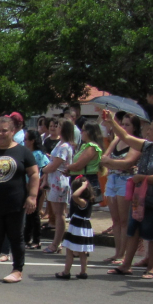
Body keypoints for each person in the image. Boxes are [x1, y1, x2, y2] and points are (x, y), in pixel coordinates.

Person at [101, 110, 153, 279]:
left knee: (151, 233)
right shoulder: (147, 146)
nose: (148, 132)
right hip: (139, 198)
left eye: (151, 129)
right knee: (133, 230)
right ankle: (126, 265)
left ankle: (151, 268)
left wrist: (142, 177)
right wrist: (113, 123)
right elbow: (127, 138)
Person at [0, 117, 39, 283]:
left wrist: (32, 196)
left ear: (12, 132)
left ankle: (17, 270)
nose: (1, 134)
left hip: (16, 203)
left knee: (16, 236)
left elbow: (33, 174)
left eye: (5, 130)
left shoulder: (23, 152)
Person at [100, 112, 140, 263]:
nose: (123, 127)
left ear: (135, 128)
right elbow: (104, 159)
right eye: (122, 124)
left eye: (127, 125)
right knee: (115, 220)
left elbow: (127, 163)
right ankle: (117, 253)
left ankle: (123, 254)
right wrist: (114, 162)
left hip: (126, 180)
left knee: (124, 220)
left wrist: (113, 163)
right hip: (112, 179)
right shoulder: (117, 139)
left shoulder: (136, 143)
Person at [42, 119, 75, 254]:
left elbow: (55, 165)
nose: (56, 127)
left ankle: (56, 243)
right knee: (57, 213)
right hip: (54, 180)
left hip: (59, 181)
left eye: (59, 126)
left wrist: (44, 169)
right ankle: (57, 242)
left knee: (59, 213)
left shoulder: (64, 146)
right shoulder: (60, 144)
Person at [56, 175, 94, 279]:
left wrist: (82, 186)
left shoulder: (83, 201)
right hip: (84, 227)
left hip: (78, 227)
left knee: (70, 250)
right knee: (82, 252)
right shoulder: (90, 200)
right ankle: (83, 272)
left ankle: (66, 272)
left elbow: (74, 196)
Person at [23, 129, 48, 249]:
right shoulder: (27, 153)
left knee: (34, 213)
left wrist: (41, 182)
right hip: (26, 186)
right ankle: (27, 238)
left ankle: (37, 240)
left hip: (35, 186)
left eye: (26, 139)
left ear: (32, 141)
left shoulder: (38, 154)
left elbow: (45, 168)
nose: (24, 141)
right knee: (28, 213)